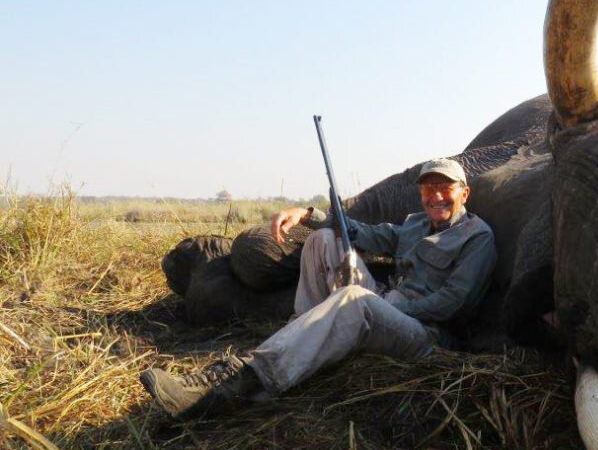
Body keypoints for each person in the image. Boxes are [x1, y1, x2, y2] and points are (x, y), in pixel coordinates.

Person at [140, 158, 496, 419]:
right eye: (428, 188)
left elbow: (452, 305)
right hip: (387, 305)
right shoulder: (415, 224)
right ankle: (301, 339)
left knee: (356, 300)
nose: (436, 196)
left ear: (464, 193)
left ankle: (238, 380)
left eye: (444, 188)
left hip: (427, 335)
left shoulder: (477, 237)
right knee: (323, 240)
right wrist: (308, 215)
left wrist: (385, 306)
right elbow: (363, 233)